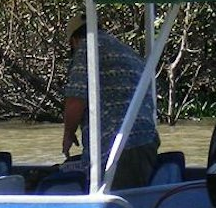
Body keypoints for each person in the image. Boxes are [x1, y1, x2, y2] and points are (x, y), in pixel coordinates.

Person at [61, 15, 160, 189]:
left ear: (74, 40)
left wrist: (68, 133)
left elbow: (76, 100)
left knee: (115, 199)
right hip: (146, 139)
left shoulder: (87, 47)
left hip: (117, 147)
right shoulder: (125, 50)